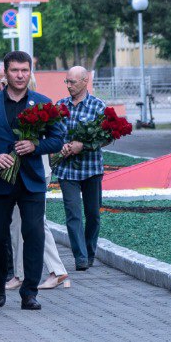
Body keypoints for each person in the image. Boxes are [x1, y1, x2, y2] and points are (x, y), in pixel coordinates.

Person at [0, 50, 66, 310]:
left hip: (31, 181)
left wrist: (35, 145)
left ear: (30, 72)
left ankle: (29, 292)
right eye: (15, 70)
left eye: (25, 70)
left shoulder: (43, 103)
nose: (20, 75)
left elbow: (57, 139)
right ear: (5, 73)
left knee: (33, 234)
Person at [53, 65, 107, 271]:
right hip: (68, 170)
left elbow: (107, 137)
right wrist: (61, 146)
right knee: (73, 213)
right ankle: (80, 257)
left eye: (72, 82)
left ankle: (89, 251)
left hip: (91, 168)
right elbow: (53, 134)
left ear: (85, 82)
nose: (68, 86)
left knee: (93, 214)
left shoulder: (98, 106)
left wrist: (82, 146)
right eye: (66, 81)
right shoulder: (60, 106)